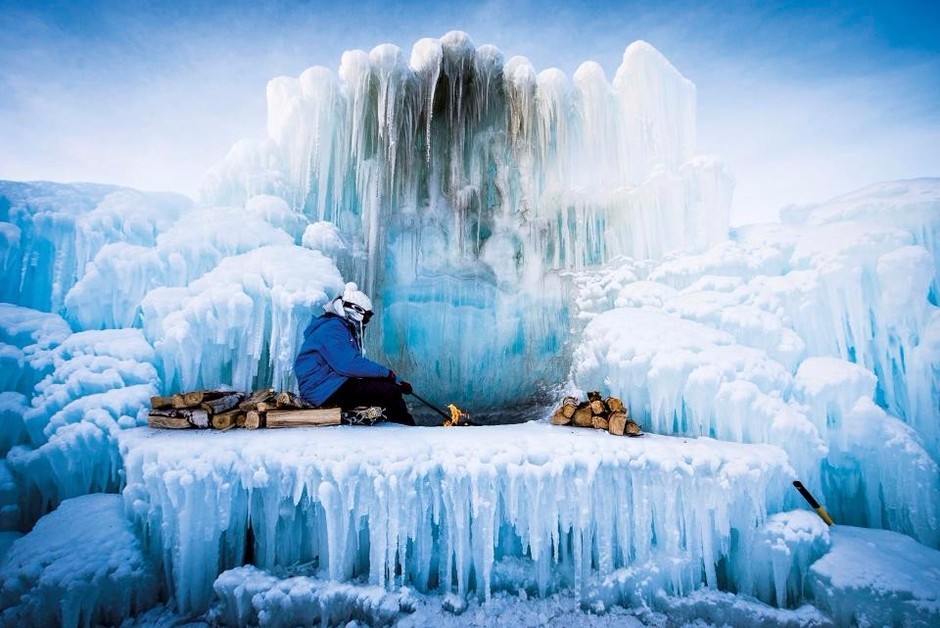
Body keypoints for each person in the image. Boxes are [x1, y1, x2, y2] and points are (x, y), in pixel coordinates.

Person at [294, 282, 415, 425]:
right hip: (322, 390)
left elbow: (352, 365)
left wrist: (396, 380)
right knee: (389, 392)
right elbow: (348, 364)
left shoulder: (339, 327)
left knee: (387, 388)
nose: (366, 322)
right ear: (356, 311)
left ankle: (398, 424)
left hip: (330, 385)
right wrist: (387, 374)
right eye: (367, 316)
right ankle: (406, 428)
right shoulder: (332, 328)